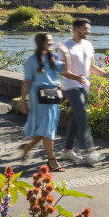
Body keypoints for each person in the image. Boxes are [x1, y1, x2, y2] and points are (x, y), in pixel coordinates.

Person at [58, 18, 109, 165]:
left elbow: (91, 67)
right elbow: (63, 71)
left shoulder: (88, 45)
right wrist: (76, 78)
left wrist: (106, 75)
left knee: (76, 117)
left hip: (84, 86)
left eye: (89, 29)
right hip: (71, 87)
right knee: (82, 115)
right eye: (86, 29)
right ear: (76, 29)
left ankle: (66, 151)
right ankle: (90, 151)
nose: (88, 32)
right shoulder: (66, 47)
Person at [18, 32, 76, 171]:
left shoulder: (53, 57)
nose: (51, 42)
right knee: (48, 129)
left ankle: (27, 148)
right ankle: (52, 161)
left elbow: (66, 70)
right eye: (49, 40)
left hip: (52, 95)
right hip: (38, 97)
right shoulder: (32, 60)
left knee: (47, 128)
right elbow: (27, 82)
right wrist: (23, 101)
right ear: (41, 42)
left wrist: (66, 54)